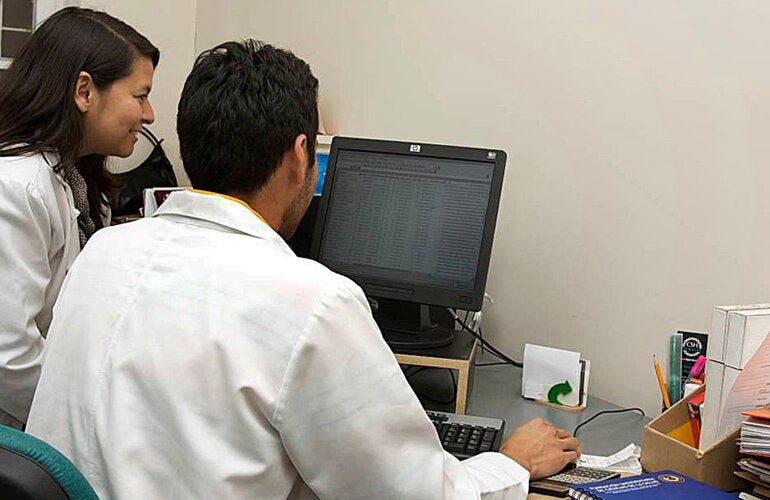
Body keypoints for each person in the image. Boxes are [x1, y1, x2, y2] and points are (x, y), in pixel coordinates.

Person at [27, 40, 580, 498]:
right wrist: (511, 464)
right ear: (300, 155)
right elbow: (411, 493)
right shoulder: (311, 301)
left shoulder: (105, 250)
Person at [0, 7, 158, 429]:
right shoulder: (15, 187)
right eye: (140, 95)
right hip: (23, 434)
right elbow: (7, 358)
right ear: (85, 91)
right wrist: (90, 426)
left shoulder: (76, 178)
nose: (149, 115)